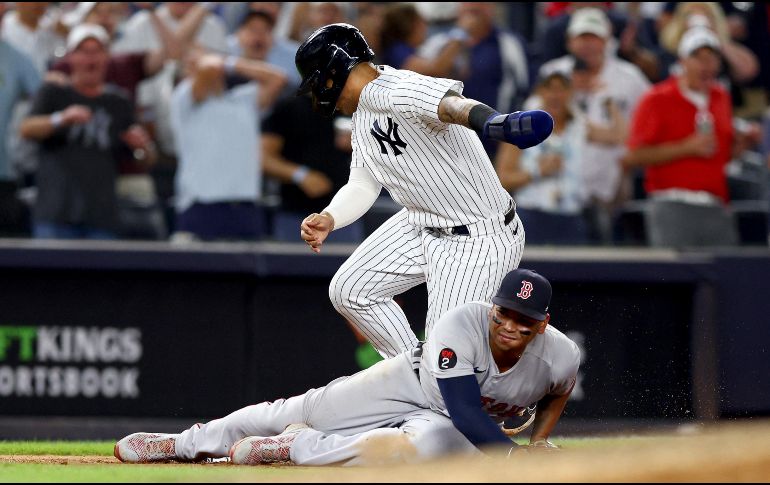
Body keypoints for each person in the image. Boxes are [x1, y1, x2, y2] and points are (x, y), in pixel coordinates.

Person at [114, 268, 580, 466]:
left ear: (543, 325)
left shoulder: (559, 355)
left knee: (412, 456)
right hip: (412, 383)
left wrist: (540, 440)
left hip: (448, 424)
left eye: (525, 320)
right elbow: (463, 407)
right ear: (493, 307)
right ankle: (180, 443)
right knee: (296, 408)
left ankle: (298, 448)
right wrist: (519, 456)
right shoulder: (463, 322)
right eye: (505, 312)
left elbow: (558, 391)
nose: (510, 325)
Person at [295, 24, 553, 359]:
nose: (319, 94)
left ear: (332, 72)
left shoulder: (399, 87)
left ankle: (489, 397)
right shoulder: (362, 111)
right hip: (420, 222)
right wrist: (331, 216)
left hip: (475, 237)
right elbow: (363, 183)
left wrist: (495, 123)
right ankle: (414, 374)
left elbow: (451, 105)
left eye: (318, 84)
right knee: (351, 290)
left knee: (447, 355)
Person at [19, 24, 156, 240]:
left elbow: (145, 159)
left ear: (107, 57)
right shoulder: (54, 92)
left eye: (97, 51)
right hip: (56, 213)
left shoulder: (118, 101)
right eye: (84, 51)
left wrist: (142, 148)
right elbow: (26, 129)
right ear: (71, 57)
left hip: (102, 217)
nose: (90, 58)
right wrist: (60, 119)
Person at [538, 7, 650, 243]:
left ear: (608, 40)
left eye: (594, 38)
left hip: (611, 186)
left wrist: (624, 148)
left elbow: (646, 126)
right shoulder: (552, 73)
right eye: (582, 38)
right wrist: (572, 94)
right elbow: (540, 125)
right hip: (557, 185)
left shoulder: (630, 78)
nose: (587, 45)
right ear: (569, 41)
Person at [624, 27, 739, 247]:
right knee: (674, 279)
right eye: (698, 57)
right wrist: (686, 148)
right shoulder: (657, 98)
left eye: (712, 57)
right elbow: (633, 156)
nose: (706, 64)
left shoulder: (721, 96)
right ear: (682, 62)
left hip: (716, 204)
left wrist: (740, 145)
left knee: (727, 277)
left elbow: (720, 156)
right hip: (672, 204)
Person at [495, 71, 626, 245]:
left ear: (571, 94)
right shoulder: (519, 129)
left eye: (562, 89)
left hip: (571, 217)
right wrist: (536, 171)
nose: (555, 95)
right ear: (540, 92)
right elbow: (502, 179)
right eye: (550, 89)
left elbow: (618, 137)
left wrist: (607, 100)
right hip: (532, 215)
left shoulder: (580, 127)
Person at [169, 51, 287, 241]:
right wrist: (209, 62)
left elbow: (278, 78)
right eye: (191, 66)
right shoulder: (184, 99)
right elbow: (209, 68)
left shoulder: (244, 99)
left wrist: (230, 63)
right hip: (201, 208)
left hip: (246, 208)